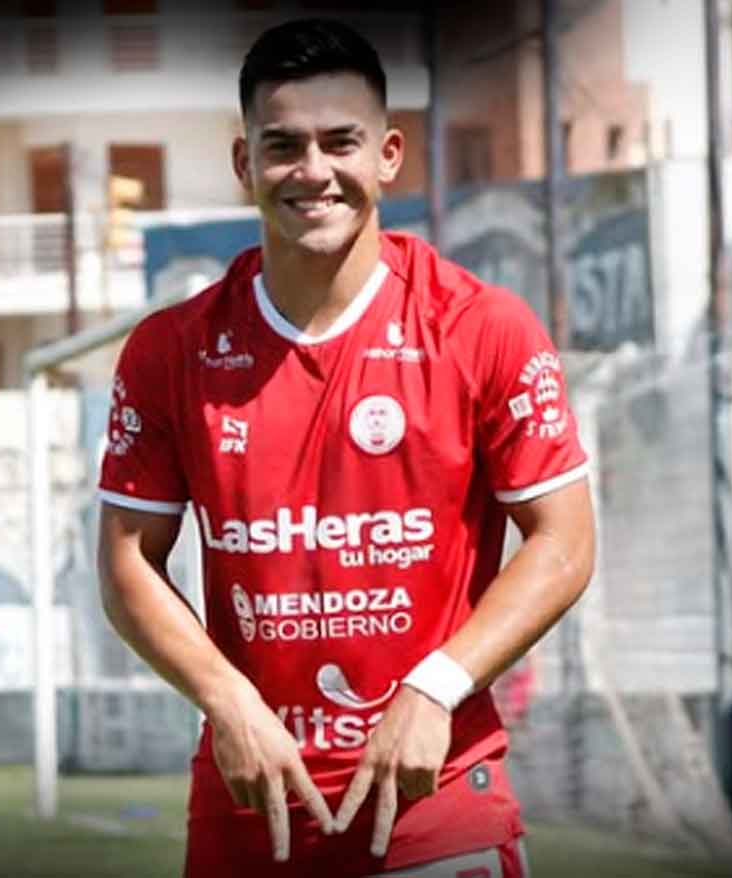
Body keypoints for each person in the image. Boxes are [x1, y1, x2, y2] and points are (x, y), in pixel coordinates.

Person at [97, 18, 595, 878]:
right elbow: (126, 563)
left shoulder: (481, 327)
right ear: (244, 162)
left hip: (437, 806)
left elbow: (565, 541)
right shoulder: (169, 350)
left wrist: (436, 686)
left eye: (340, 142)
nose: (313, 170)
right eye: (282, 146)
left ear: (388, 155)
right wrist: (225, 700)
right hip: (247, 810)